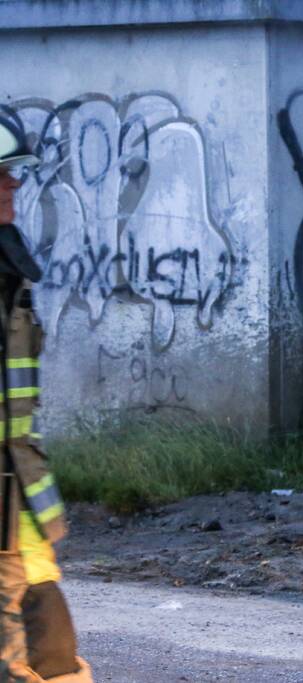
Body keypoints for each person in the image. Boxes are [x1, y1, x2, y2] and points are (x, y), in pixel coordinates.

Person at [0, 117, 92, 682]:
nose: (13, 186)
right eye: (3, 176)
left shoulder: (10, 272)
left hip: (19, 508)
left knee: (53, 648)